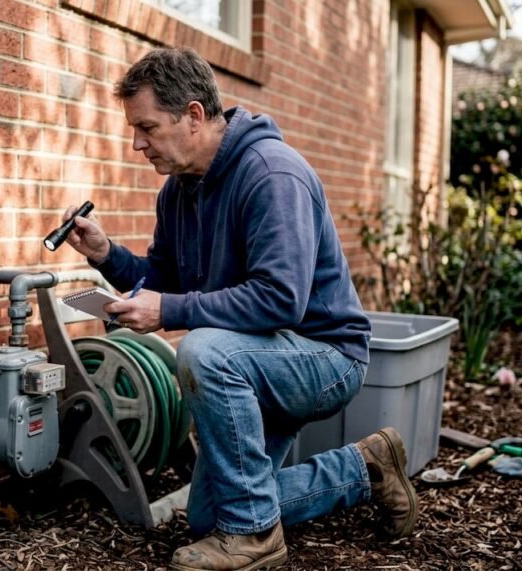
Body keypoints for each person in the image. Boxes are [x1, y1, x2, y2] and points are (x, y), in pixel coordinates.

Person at [60, 48, 418, 571]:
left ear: (195, 116)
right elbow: (164, 282)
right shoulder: (178, 191)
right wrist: (104, 254)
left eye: (147, 127)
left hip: (324, 358)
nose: (137, 142)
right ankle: (365, 468)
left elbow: (280, 299)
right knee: (210, 519)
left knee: (203, 351)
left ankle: (256, 539)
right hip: (258, 358)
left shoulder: (272, 174)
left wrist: (172, 311)